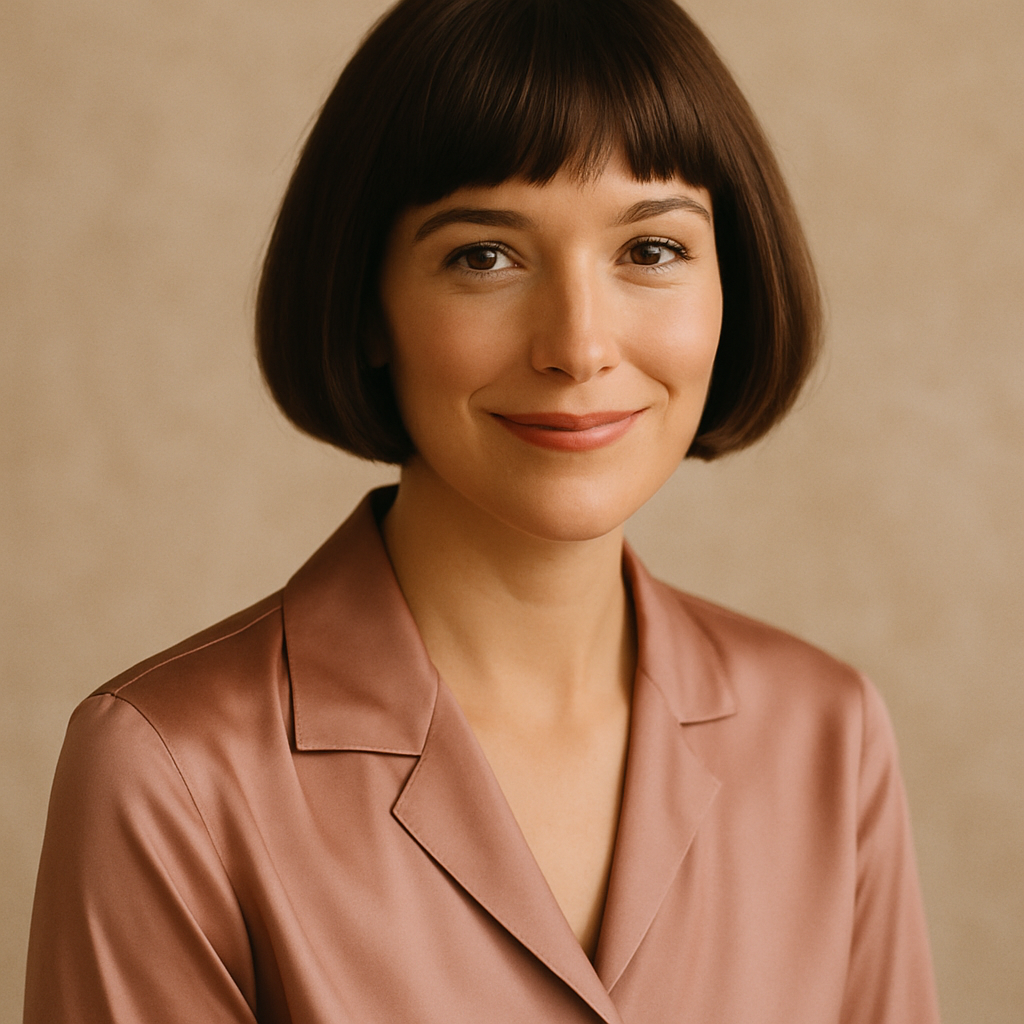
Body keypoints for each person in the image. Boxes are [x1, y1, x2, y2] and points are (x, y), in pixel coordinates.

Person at [24, 1, 941, 1021]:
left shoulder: (827, 736)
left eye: (649, 250)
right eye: (484, 256)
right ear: (368, 304)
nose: (578, 345)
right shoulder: (170, 771)